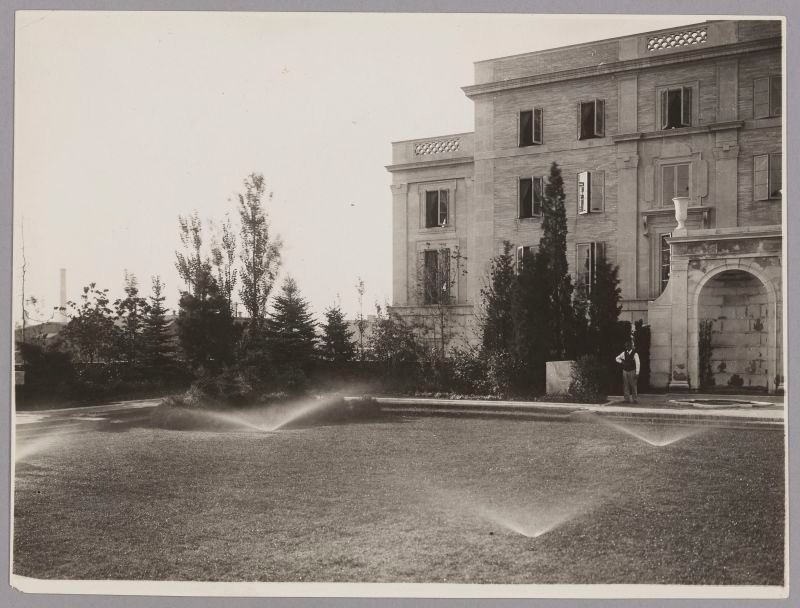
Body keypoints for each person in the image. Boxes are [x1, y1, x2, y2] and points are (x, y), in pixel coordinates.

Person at [615, 339, 640, 403]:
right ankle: (627, 399)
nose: (627, 347)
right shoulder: (624, 353)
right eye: (626, 346)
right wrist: (621, 362)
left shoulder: (635, 353)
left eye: (628, 346)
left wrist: (637, 373)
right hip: (625, 371)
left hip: (632, 371)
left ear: (631, 346)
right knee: (626, 385)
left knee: (633, 385)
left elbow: (638, 363)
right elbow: (617, 358)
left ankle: (635, 399)